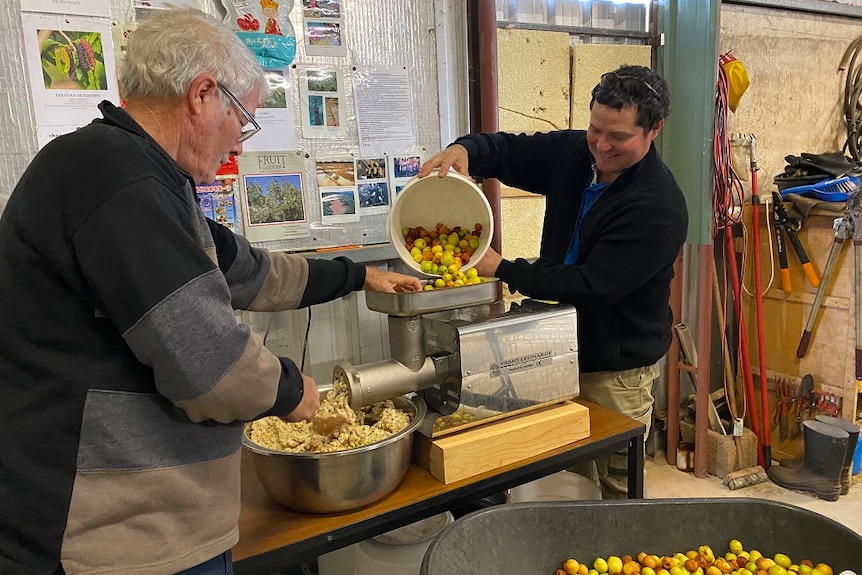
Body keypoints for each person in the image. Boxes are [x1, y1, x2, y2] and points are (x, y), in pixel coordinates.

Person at [0, 8, 419, 575]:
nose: (241, 146)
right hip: (108, 539)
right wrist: (295, 394)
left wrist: (358, 275)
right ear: (202, 94)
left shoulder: (145, 179)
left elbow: (248, 271)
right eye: (243, 119)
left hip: (146, 523)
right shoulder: (115, 180)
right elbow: (209, 368)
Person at [418, 64, 688, 497]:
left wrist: (503, 269)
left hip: (614, 371)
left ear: (654, 129)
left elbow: (590, 286)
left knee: (619, 487)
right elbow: (508, 150)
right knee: (566, 477)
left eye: (618, 137)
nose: (601, 145)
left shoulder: (657, 205)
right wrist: (466, 150)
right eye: (595, 129)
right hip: (555, 350)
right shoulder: (576, 155)